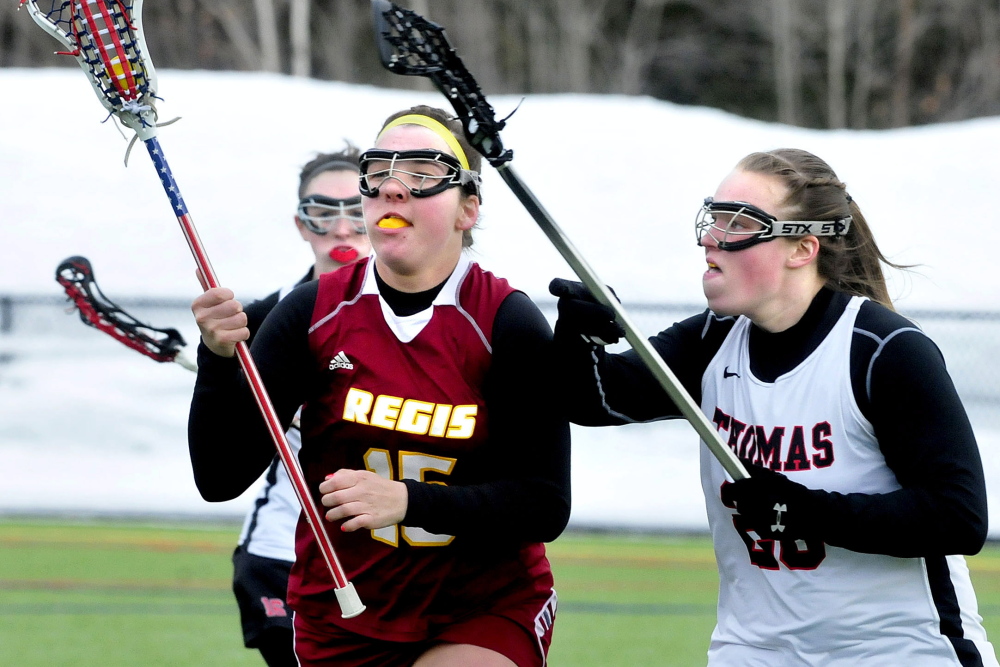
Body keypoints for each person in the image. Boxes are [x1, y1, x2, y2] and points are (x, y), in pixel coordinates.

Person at [548, 148, 998, 665]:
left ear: (803, 248)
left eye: (738, 222)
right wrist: (577, 335)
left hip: (896, 647)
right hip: (755, 649)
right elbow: (595, 399)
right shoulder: (715, 340)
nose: (712, 238)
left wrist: (802, 510)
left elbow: (958, 518)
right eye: (713, 217)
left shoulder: (882, 351)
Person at [188, 105, 571, 666]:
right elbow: (219, 477)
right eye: (379, 171)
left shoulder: (504, 321)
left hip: (480, 607)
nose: (393, 188)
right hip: (343, 610)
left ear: (469, 207)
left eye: (421, 174)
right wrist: (218, 360)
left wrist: (409, 502)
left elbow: (544, 505)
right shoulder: (312, 311)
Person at [231, 144, 373, 667]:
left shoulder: (424, 317)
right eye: (322, 212)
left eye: (357, 211)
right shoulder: (266, 321)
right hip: (282, 552)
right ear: (300, 223)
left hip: (392, 556)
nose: (341, 229)